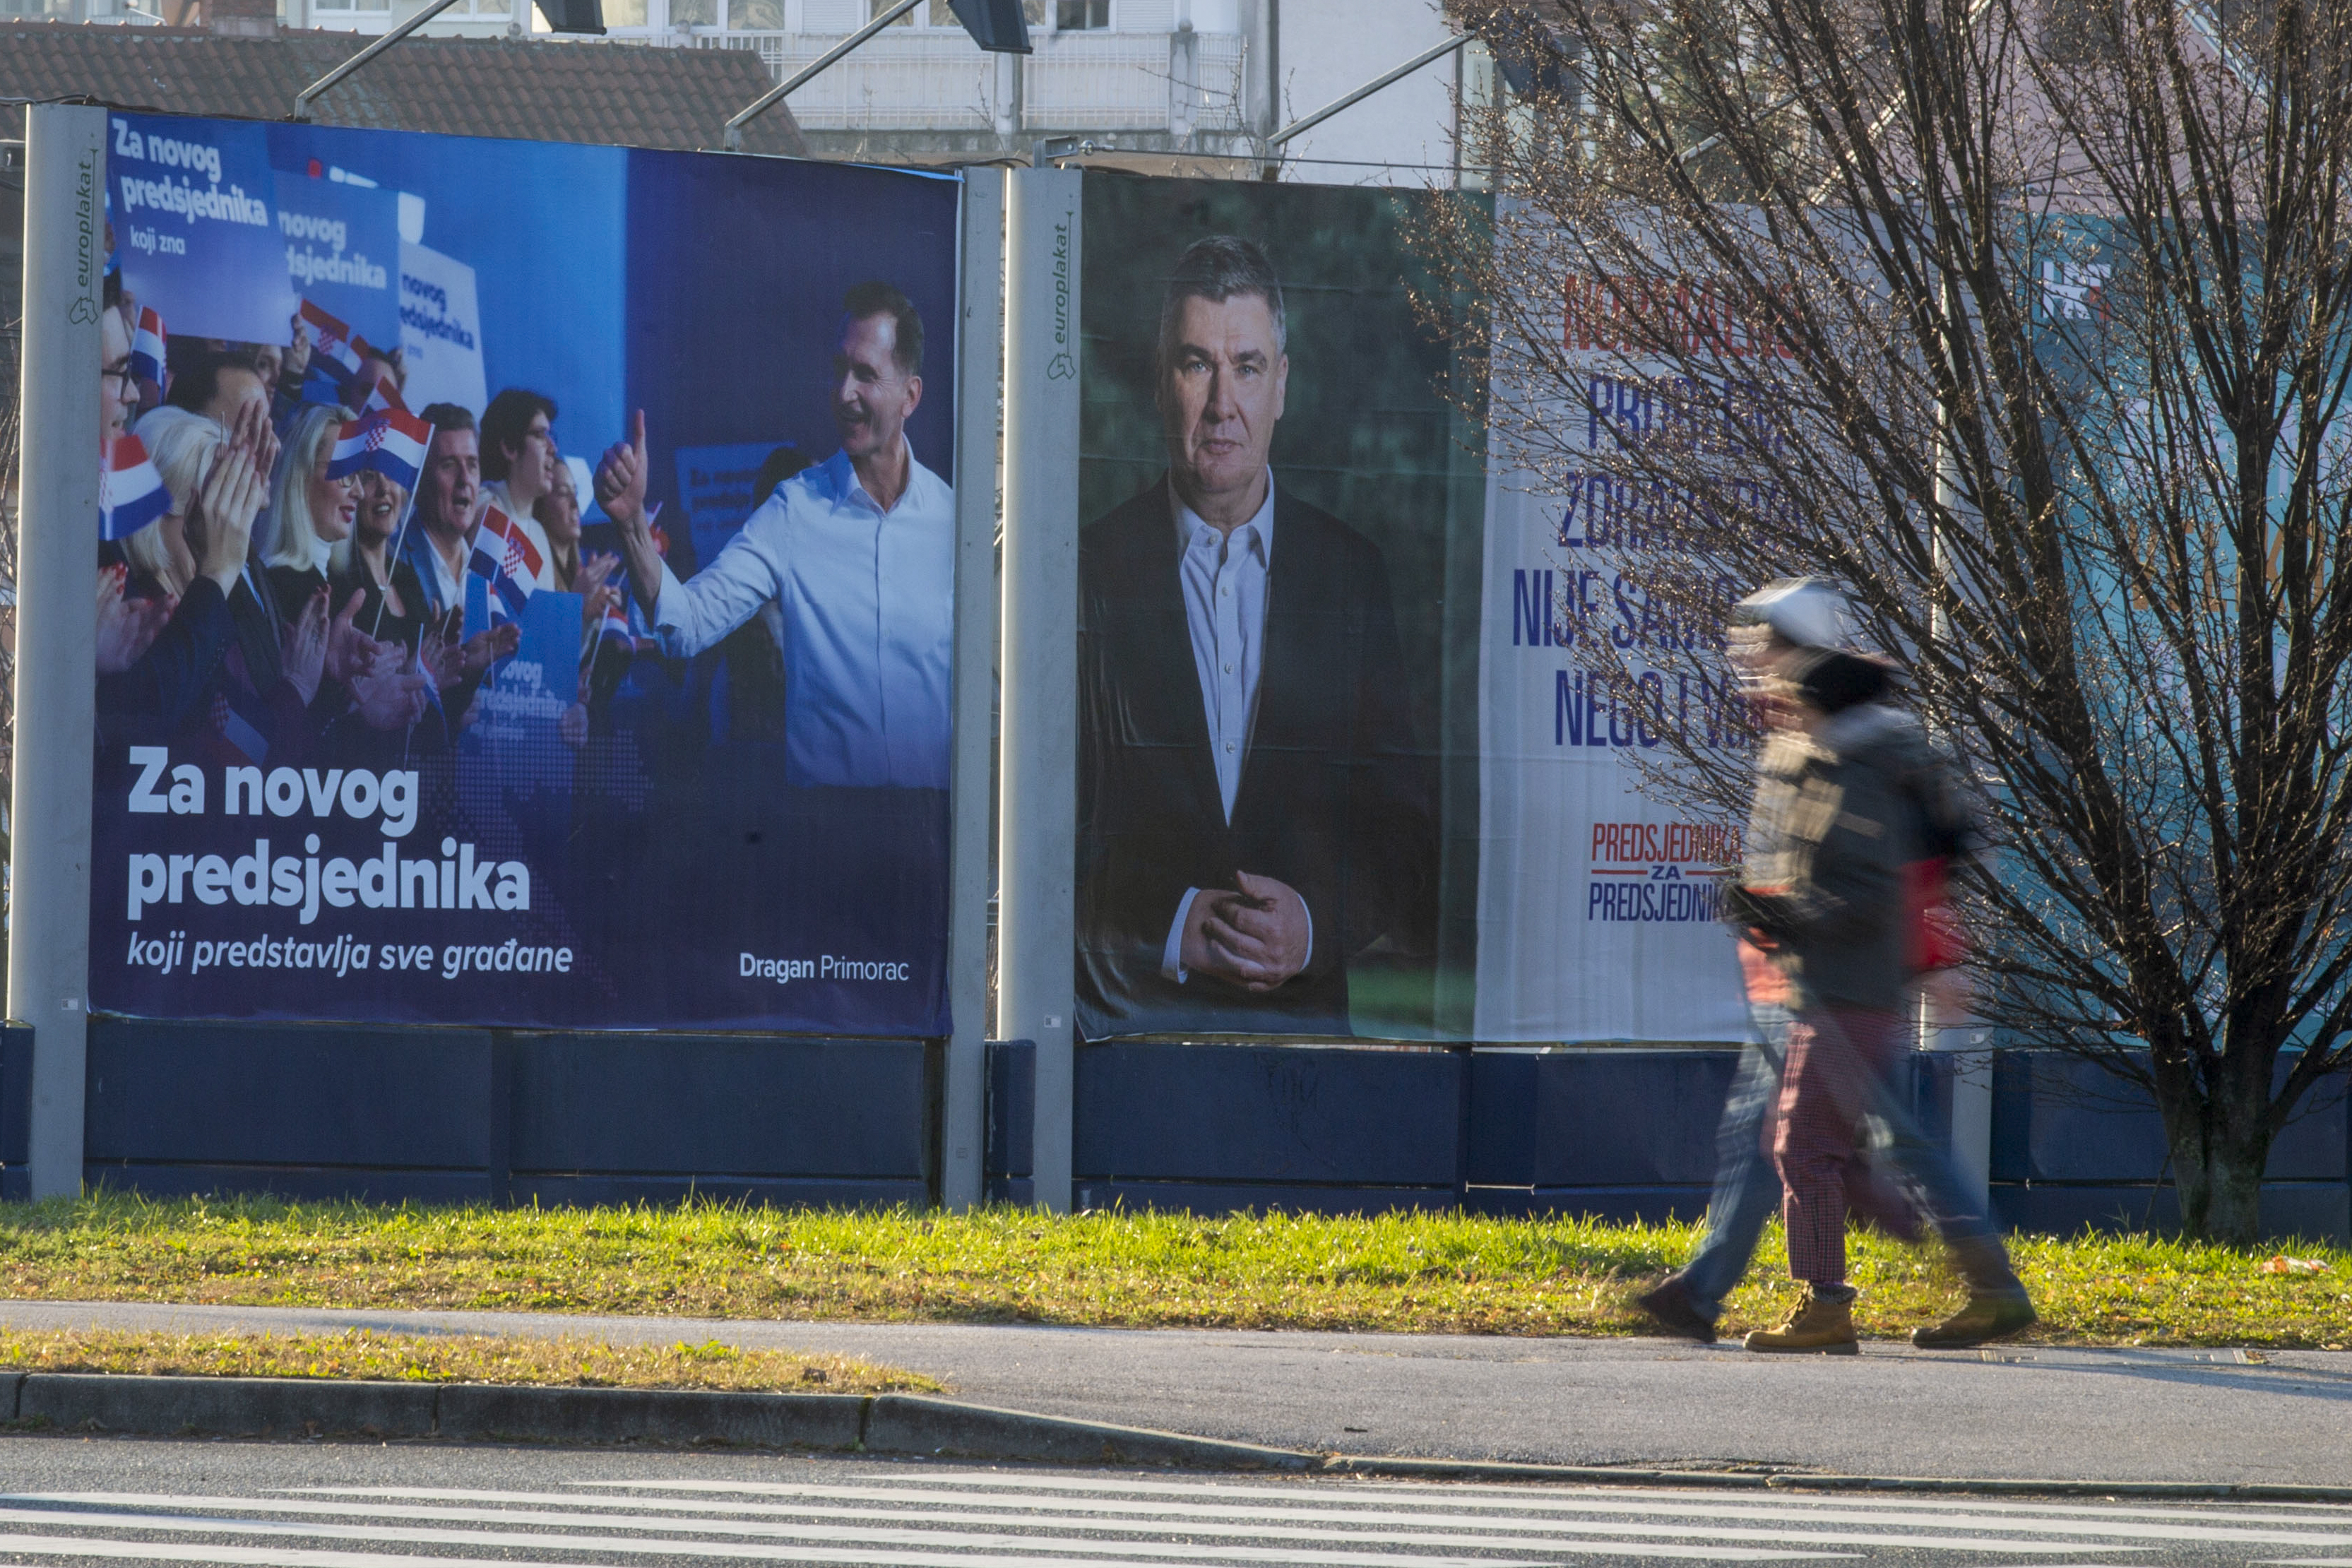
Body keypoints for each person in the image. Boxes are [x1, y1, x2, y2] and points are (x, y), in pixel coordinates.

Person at [1645, 579, 2035, 1354]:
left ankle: (1861, 1298)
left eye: (1770, 657)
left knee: (1836, 1145)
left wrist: (1793, 919)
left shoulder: (1857, 756)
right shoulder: (1817, 747)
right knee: (1793, 1141)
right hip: (1808, 979)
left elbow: (1879, 877)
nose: (1760, 675)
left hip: (1843, 984)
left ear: (1808, 663)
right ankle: (1716, 1292)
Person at [1074, 235, 1435, 1039]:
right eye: (1197, 364)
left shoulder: (1352, 578)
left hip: (1305, 1056)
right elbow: (1040, 827)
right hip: (1132, 1040)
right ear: (1161, 383)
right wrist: (1169, 926)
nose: (1221, 404)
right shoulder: (1087, 571)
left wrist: (1312, 923)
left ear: (1283, 386)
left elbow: (1403, 831)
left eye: (1246, 366)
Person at [594, 281, 954, 789]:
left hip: (930, 843)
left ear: (910, 396)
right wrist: (632, 525)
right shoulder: (793, 510)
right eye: (839, 370)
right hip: (828, 833)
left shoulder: (953, 523)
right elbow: (687, 624)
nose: (844, 392)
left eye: (866, 375)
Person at [401, 403, 487, 620]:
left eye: (472, 464)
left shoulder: (486, 571)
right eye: (449, 465)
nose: (465, 479)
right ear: (420, 481)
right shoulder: (395, 564)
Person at [480, 388, 562, 587]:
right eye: (541, 435)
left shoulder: (539, 533)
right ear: (510, 447)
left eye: (551, 436)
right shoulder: (484, 506)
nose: (553, 448)